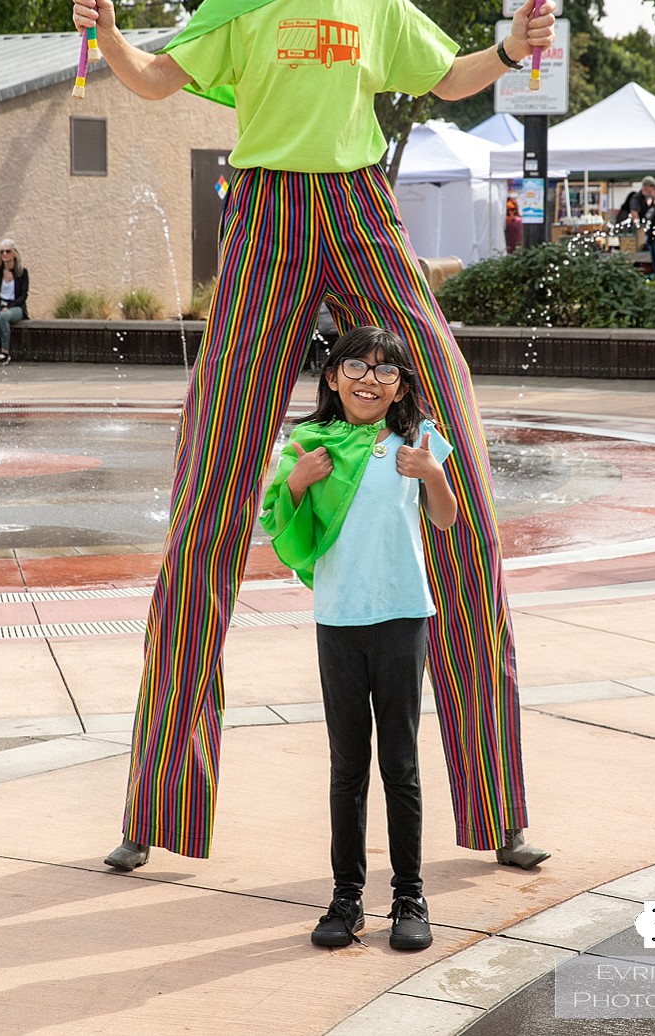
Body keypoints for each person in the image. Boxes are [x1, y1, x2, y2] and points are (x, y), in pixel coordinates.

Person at [73, 0, 554, 874]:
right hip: (263, 221)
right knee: (207, 495)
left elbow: (453, 72)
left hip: (359, 210)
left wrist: (512, 48)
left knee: (458, 463)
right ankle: (153, 803)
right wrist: (110, 34)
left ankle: (501, 803)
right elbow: (157, 80)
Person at [261, 327, 454, 952]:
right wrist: (297, 483)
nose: (370, 380)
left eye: (385, 371)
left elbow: (446, 517)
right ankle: (346, 898)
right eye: (357, 367)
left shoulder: (418, 438)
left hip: (401, 615)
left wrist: (430, 474)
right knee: (347, 766)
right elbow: (276, 524)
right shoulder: (309, 444)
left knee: (400, 764)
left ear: (400, 384)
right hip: (339, 618)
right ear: (333, 376)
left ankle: (409, 896)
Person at [0, 239, 30, 364]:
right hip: (1, 304)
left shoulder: (22, 272)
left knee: (4, 316)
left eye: (8, 251)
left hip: (16, 306)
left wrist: (10, 306)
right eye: (2, 252)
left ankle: (5, 351)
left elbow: (23, 295)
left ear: (14, 254)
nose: (5, 254)